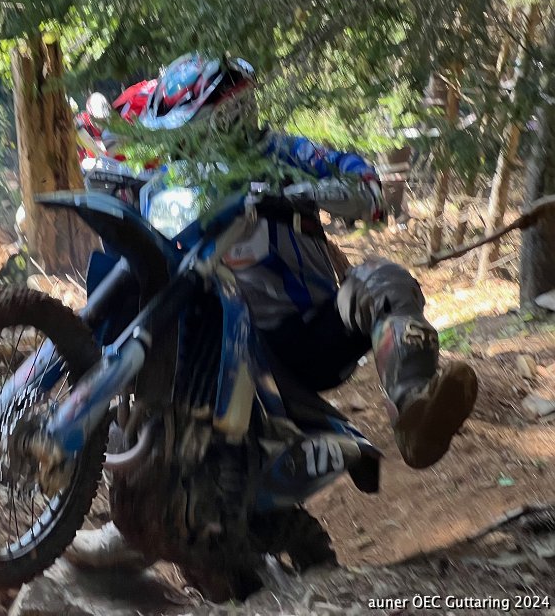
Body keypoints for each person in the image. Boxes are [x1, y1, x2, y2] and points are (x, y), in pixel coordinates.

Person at [65, 52, 479, 568]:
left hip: (305, 334)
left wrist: (314, 189)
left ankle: (415, 406)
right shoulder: (176, 174)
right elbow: (123, 141)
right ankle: (131, 518)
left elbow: (364, 183)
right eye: (176, 130)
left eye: (191, 127)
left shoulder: (283, 152)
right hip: (213, 333)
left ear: (228, 116)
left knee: (379, 280)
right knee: (146, 339)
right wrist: (106, 159)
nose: (183, 138)